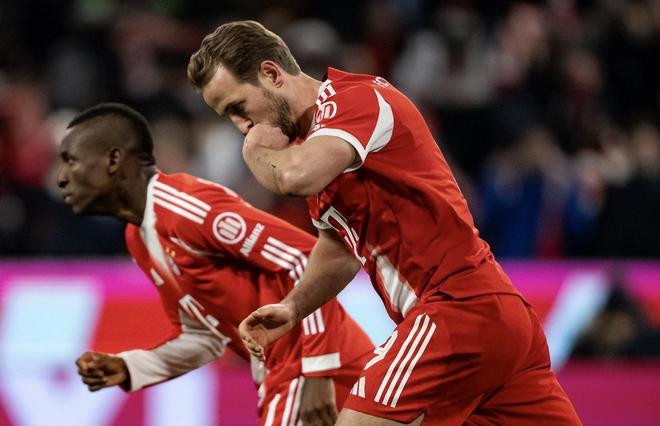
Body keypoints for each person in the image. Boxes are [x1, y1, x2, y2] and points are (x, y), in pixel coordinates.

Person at [187, 21, 582, 425]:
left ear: (272, 74)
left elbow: (295, 176)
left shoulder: (353, 100)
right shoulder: (320, 145)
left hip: (455, 308)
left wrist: (254, 152)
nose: (241, 126)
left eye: (238, 107)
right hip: (493, 318)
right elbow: (341, 249)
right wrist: (293, 307)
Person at [57, 102, 374, 426]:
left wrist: (319, 369)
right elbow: (204, 337)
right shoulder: (138, 239)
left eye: (71, 161)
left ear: (113, 161)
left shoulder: (185, 209)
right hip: (291, 371)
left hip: (310, 364)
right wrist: (131, 367)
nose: (61, 178)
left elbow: (305, 259)